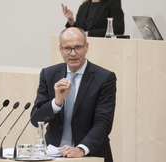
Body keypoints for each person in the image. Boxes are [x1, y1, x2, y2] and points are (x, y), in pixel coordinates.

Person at [30, 27, 116, 162]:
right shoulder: (48, 74)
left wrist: (81, 149)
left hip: (90, 155)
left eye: (78, 47)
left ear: (87, 47)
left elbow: (103, 122)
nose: (73, 53)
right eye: (67, 48)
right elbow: (36, 119)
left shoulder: (104, 78)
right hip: (54, 156)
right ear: (60, 49)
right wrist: (57, 102)